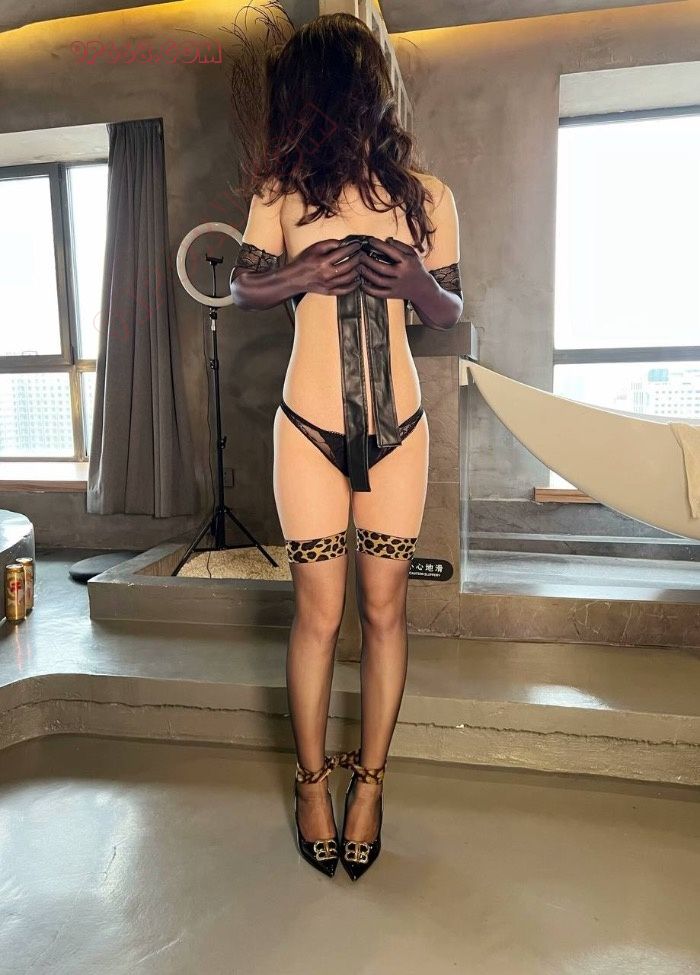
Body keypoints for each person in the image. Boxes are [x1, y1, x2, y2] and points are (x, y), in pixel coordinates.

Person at [229, 11, 462, 880]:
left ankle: (370, 784)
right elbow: (245, 287)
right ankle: (310, 785)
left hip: (399, 432)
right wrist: (301, 274)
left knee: (385, 611)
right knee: (319, 615)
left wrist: (417, 283)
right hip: (308, 429)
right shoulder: (280, 193)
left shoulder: (426, 195)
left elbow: (449, 309)